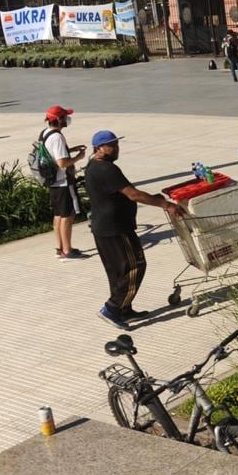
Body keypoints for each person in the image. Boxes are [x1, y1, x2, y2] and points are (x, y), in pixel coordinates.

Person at [83, 130, 184, 329]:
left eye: (116, 144)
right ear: (99, 148)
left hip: (104, 228)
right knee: (135, 266)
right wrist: (166, 205)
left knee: (118, 271)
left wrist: (155, 198)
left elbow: (117, 194)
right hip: (116, 228)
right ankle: (111, 309)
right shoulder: (106, 169)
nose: (116, 148)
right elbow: (133, 194)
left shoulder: (94, 166)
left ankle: (124, 310)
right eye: (111, 145)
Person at [42, 105, 86, 261]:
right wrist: (79, 157)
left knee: (58, 215)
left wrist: (71, 149)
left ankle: (60, 248)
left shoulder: (45, 133)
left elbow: (53, 154)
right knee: (68, 215)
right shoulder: (58, 137)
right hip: (63, 182)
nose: (67, 119)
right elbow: (62, 163)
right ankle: (67, 251)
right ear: (59, 119)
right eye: (65, 116)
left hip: (53, 182)